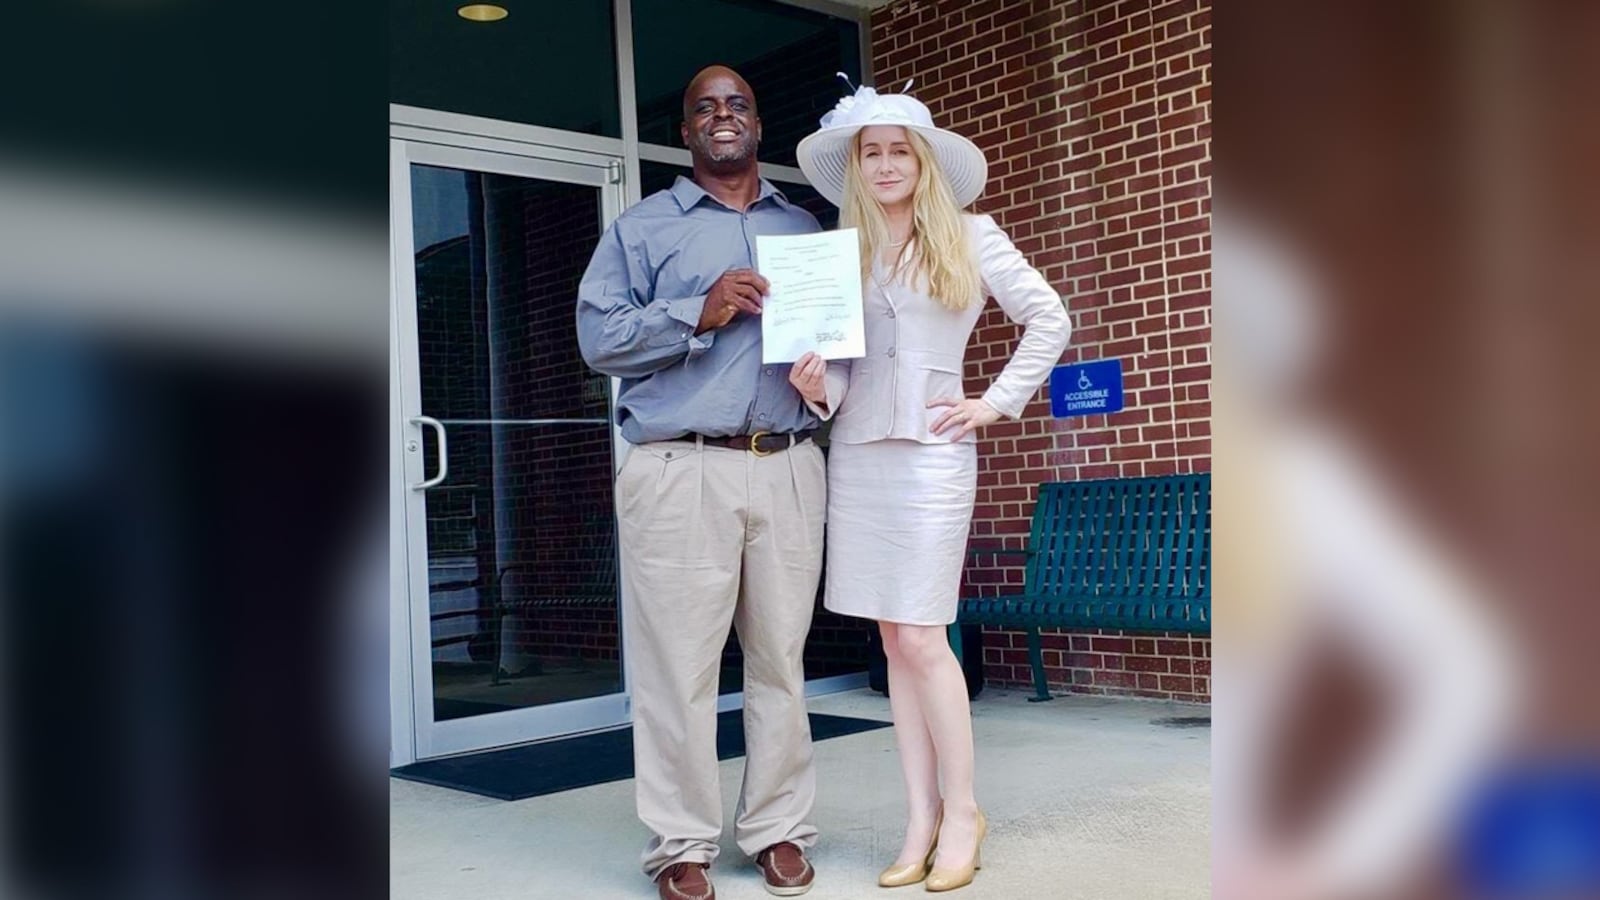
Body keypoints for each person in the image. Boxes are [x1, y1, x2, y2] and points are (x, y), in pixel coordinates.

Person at [792, 82, 1071, 892]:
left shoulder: (974, 236)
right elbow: (842, 371)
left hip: (933, 453)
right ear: (856, 166)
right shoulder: (840, 248)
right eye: (870, 152)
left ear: (922, 161)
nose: (884, 164)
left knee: (923, 636)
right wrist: (816, 386)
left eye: (898, 150)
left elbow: (1049, 317)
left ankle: (964, 809)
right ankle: (918, 816)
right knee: (890, 643)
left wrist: (993, 403)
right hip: (859, 455)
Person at [576, 65, 825, 900]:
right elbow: (598, 339)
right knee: (678, 670)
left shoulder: (806, 230)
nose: (723, 117)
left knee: (781, 663)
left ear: (759, 124)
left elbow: (842, 345)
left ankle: (778, 831)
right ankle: (681, 843)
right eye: (705, 109)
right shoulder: (641, 229)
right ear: (684, 133)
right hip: (679, 466)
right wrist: (697, 308)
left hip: (788, 463)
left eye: (738, 105)